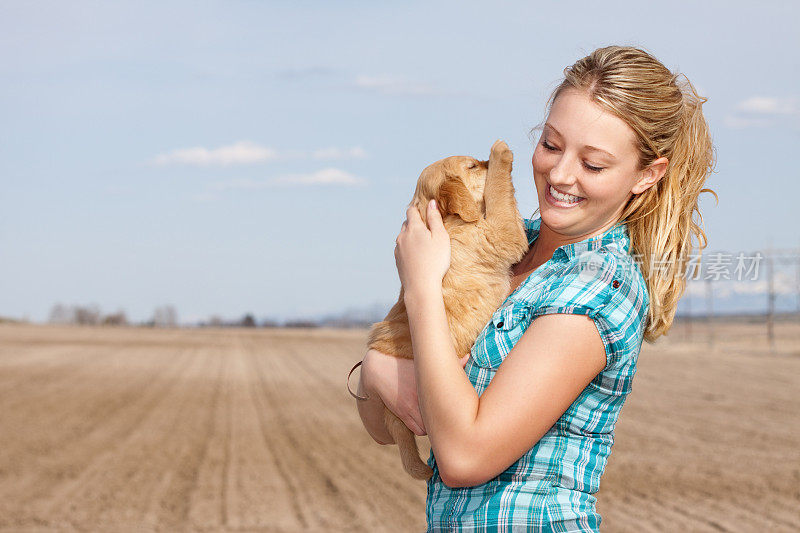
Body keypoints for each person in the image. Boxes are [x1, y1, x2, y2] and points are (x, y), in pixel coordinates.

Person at [354, 45, 715, 531]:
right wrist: (376, 367)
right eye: (550, 145)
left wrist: (420, 290)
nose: (560, 174)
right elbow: (382, 425)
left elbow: (462, 457)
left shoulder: (596, 287)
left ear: (647, 175)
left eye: (594, 164)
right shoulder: (507, 246)